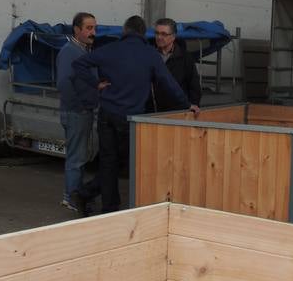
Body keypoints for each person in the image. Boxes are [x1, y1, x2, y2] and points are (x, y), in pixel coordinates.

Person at [72, 15, 189, 214]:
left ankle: (103, 204)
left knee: (109, 162)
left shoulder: (109, 50)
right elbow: (169, 83)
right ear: (144, 33)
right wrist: (187, 105)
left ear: (125, 31)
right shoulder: (150, 55)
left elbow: (79, 65)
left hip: (107, 115)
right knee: (125, 163)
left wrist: (96, 84)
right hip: (130, 120)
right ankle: (97, 199)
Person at [56, 12, 98, 212]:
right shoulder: (69, 51)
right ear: (77, 29)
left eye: (94, 28)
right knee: (76, 158)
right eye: (89, 28)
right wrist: (79, 106)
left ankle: (76, 194)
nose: (93, 32)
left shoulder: (84, 50)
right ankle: (71, 197)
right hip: (76, 113)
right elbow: (64, 83)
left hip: (82, 111)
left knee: (80, 157)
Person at [150, 17, 202, 114]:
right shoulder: (149, 55)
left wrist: (193, 107)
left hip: (178, 113)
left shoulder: (186, 58)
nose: (159, 37)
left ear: (173, 36)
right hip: (152, 112)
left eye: (164, 34)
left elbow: (194, 86)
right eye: (157, 33)